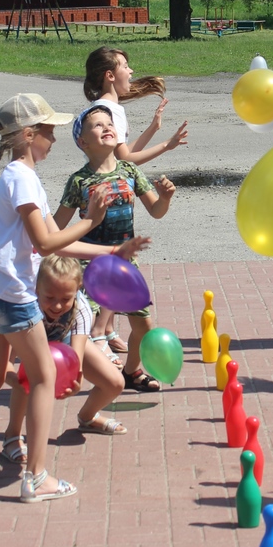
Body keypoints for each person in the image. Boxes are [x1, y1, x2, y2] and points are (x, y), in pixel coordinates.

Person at [0, 93, 148, 503]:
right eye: (48, 131)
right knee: (44, 377)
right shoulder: (22, 178)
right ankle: (37, 478)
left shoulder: (19, 176)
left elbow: (58, 244)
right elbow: (47, 243)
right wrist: (91, 220)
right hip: (12, 296)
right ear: (29, 135)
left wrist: (111, 251)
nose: (53, 138)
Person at [54, 104, 175, 392]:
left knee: (143, 326)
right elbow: (57, 229)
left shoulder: (130, 170)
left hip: (124, 263)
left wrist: (166, 197)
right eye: (96, 125)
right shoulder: (79, 181)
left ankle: (132, 372)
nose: (106, 127)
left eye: (109, 122)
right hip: (91, 265)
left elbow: (156, 211)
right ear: (82, 142)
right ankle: (76, 375)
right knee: (83, 327)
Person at [82, 46, 187, 357]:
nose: (131, 72)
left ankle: (106, 331)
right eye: (125, 66)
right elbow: (126, 159)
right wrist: (166, 145)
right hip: (109, 198)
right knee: (113, 262)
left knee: (113, 266)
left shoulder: (109, 107)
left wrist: (153, 130)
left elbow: (123, 161)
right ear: (110, 76)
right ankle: (98, 336)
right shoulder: (108, 110)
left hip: (111, 192)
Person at [4, 255, 128, 454]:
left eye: (65, 299)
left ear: (78, 289)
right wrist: (20, 382)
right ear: (37, 288)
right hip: (31, 337)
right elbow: (6, 364)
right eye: (50, 298)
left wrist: (73, 383)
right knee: (27, 379)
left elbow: (75, 361)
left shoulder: (82, 309)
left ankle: (88, 417)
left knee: (115, 383)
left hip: (64, 338)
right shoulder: (24, 307)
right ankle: (12, 436)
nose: (58, 306)